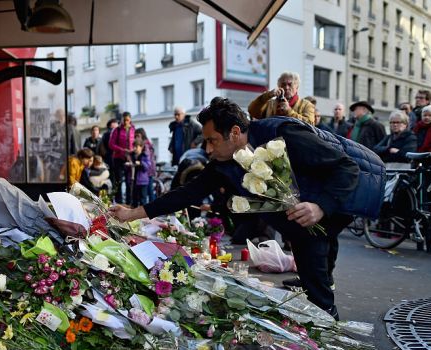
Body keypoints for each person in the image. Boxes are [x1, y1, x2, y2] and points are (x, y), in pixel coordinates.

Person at [110, 97, 385, 320]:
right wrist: (133, 213)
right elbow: (188, 192)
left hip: (335, 199)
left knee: (314, 263)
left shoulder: (285, 135)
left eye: (211, 140)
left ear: (235, 132)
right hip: (301, 216)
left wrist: (321, 206)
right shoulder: (224, 160)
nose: (207, 149)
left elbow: (346, 167)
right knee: (312, 255)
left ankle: (326, 322)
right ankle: (321, 303)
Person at [248, 71, 315, 125]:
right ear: (279, 86)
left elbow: (310, 124)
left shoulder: (307, 105)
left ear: (297, 87)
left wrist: (289, 112)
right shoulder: (270, 103)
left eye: (290, 84)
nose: (286, 87)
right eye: (283, 84)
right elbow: (252, 111)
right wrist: (267, 95)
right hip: (271, 140)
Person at [109, 112, 136, 204]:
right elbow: (111, 144)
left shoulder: (133, 129)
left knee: (129, 181)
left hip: (130, 158)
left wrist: (134, 149)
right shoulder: (117, 130)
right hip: (118, 158)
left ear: (130, 120)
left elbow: (136, 142)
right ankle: (119, 202)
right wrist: (122, 150)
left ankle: (129, 202)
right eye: (124, 120)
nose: (125, 122)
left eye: (127, 120)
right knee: (119, 181)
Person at [135, 128, 157, 202]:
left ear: (142, 135)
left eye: (138, 135)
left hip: (148, 170)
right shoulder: (145, 143)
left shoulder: (145, 144)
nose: (137, 137)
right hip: (148, 170)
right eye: (135, 136)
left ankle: (153, 209)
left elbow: (148, 158)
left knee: (149, 191)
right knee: (148, 192)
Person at [130, 141, 152, 207]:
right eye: (133, 147)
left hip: (143, 181)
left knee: (143, 200)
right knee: (134, 199)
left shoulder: (145, 155)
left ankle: (143, 215)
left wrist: (141, 163)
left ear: (141, 147)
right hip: (135, 180)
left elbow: (148, 166)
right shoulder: (132, 155)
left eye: (136, 147)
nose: (134, 148)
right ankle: (134, 215)